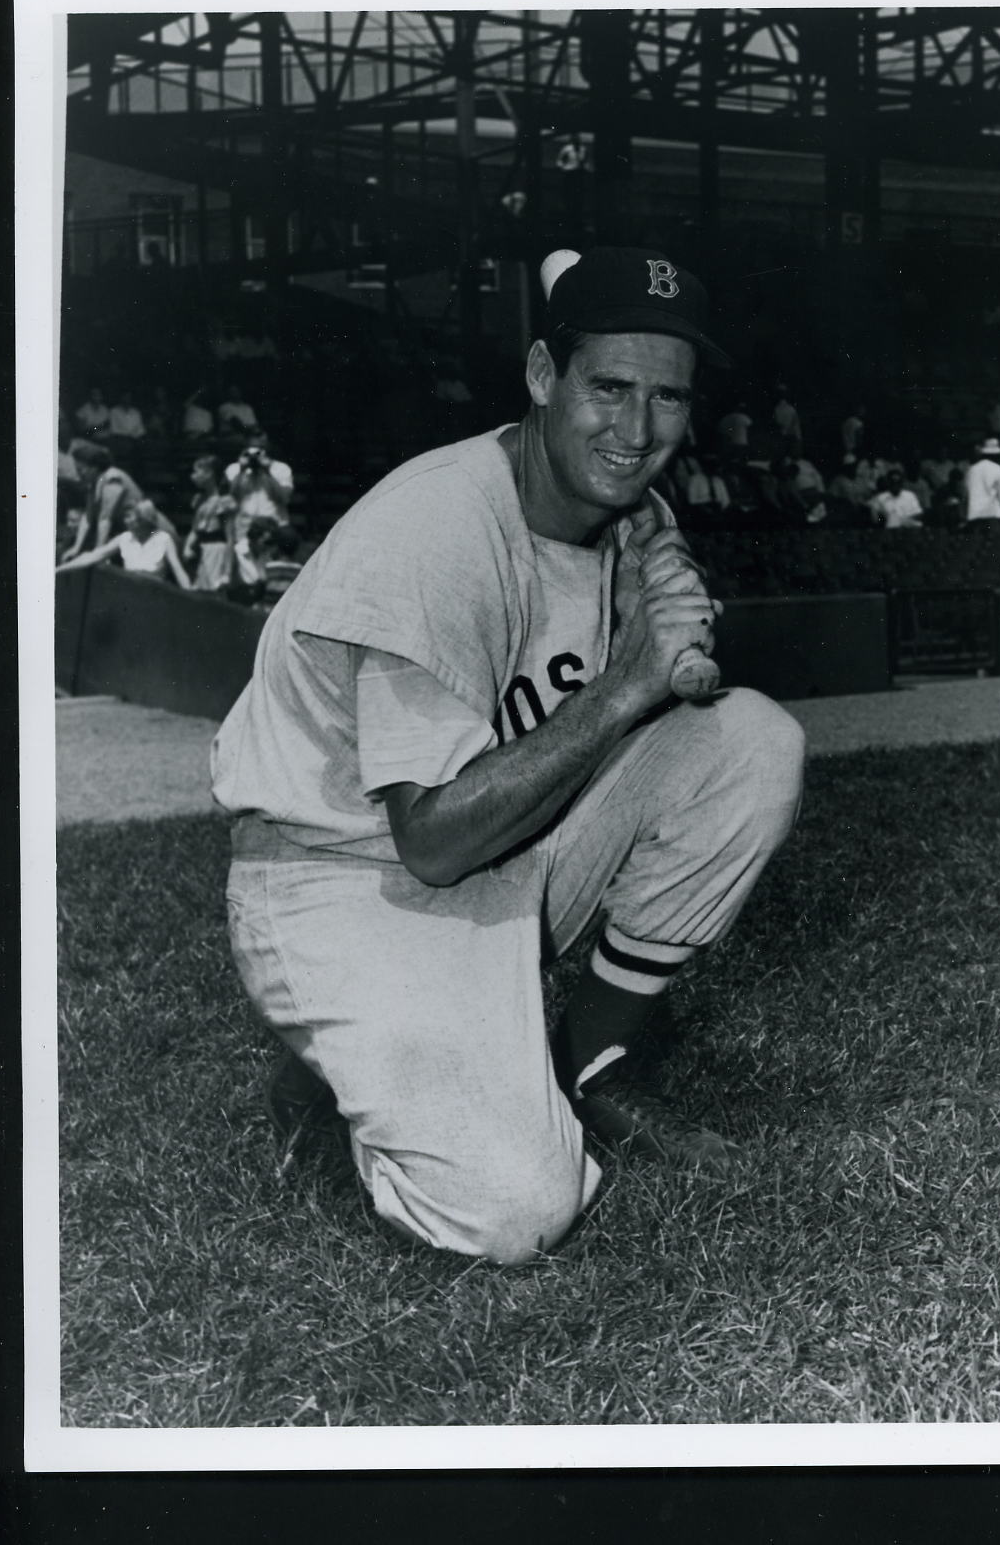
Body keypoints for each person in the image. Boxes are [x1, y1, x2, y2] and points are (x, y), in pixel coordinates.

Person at [211, 245, 806, 1267]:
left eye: (667, 398)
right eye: (608, 388)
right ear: (541, 377)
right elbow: (431, 843)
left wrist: (676, 638)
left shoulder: (627, 510)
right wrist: (627, 680)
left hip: (496, 854)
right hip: (342, 882)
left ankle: (593, 1067)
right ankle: (338, 1055)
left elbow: (685, 689)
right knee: (515, 1211)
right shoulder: (435, 527)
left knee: (750, 741)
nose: (637, 430)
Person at [56, 498, 192, 588]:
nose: (125, 520)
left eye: (129, 516)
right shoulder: (124, 538)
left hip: (155, 594)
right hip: (129, 593)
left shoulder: (164, 539)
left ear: (143, 517)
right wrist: (58, 570)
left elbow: (177, 569)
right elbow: (92, 556)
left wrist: (190, 593)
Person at [225, 438, 295, 594]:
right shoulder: (235, 469)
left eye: (258, 451)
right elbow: (231, 496)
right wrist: (243, 470)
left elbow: (283, 497)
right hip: (246, 529)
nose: (254, 456)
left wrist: (267, 471)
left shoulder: (281, 469)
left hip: (274, 529)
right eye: (251, 451)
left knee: (272, 574)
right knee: (247, 571)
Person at [181, 454, 237, 592]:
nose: (193, 476)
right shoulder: (200, 500)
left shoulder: (224, 502)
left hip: (216, 552)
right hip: (201, 551)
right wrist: (187, 546)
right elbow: (195, 529)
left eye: (197, 471)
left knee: (213, 594)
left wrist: (227, 572)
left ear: (209, 473)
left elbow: (230, 538)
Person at [962, 438, 1000, 532]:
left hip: (974, 516)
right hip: (993, 515)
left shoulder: (971, 470)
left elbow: (965, 495)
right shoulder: (999, 469)